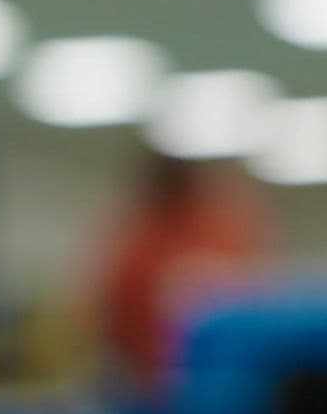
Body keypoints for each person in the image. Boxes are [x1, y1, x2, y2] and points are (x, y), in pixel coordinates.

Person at [91, 153, 276, 397]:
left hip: (213, 383)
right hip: (144, 383)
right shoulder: (131, 238)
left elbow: (255, 304)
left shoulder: (224, 228)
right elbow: (108, 312)